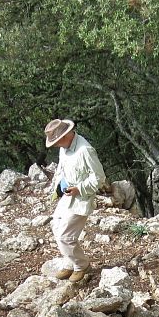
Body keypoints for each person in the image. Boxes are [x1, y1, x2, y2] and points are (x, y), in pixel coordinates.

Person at [44, 118, 108, 283]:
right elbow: (62, 169)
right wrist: (58, 187)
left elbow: (99, 177)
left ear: (65, 136)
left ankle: (81, 266)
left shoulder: (85, 150)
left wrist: (79, 188)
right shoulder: (64, 148)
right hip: (67, 194)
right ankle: (69, 263)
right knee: (56, 225)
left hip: (81, 198)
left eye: (57, 142)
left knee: (66, 236)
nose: (56, 145)